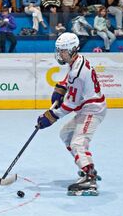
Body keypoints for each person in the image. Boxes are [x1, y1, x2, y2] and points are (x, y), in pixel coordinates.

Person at [37, 32, 107, 196]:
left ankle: (90, 177)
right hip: (86, 108)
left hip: (92, 110)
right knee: (66, 134)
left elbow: (71, 103)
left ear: (72, 49)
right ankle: (85, 167)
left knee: (77, 142)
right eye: (59, 50)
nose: (60, 54)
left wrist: (51, 116)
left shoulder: (78, 71)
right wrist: (60, 88)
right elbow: (69, 80)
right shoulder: (77, 61)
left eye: (62, 51)